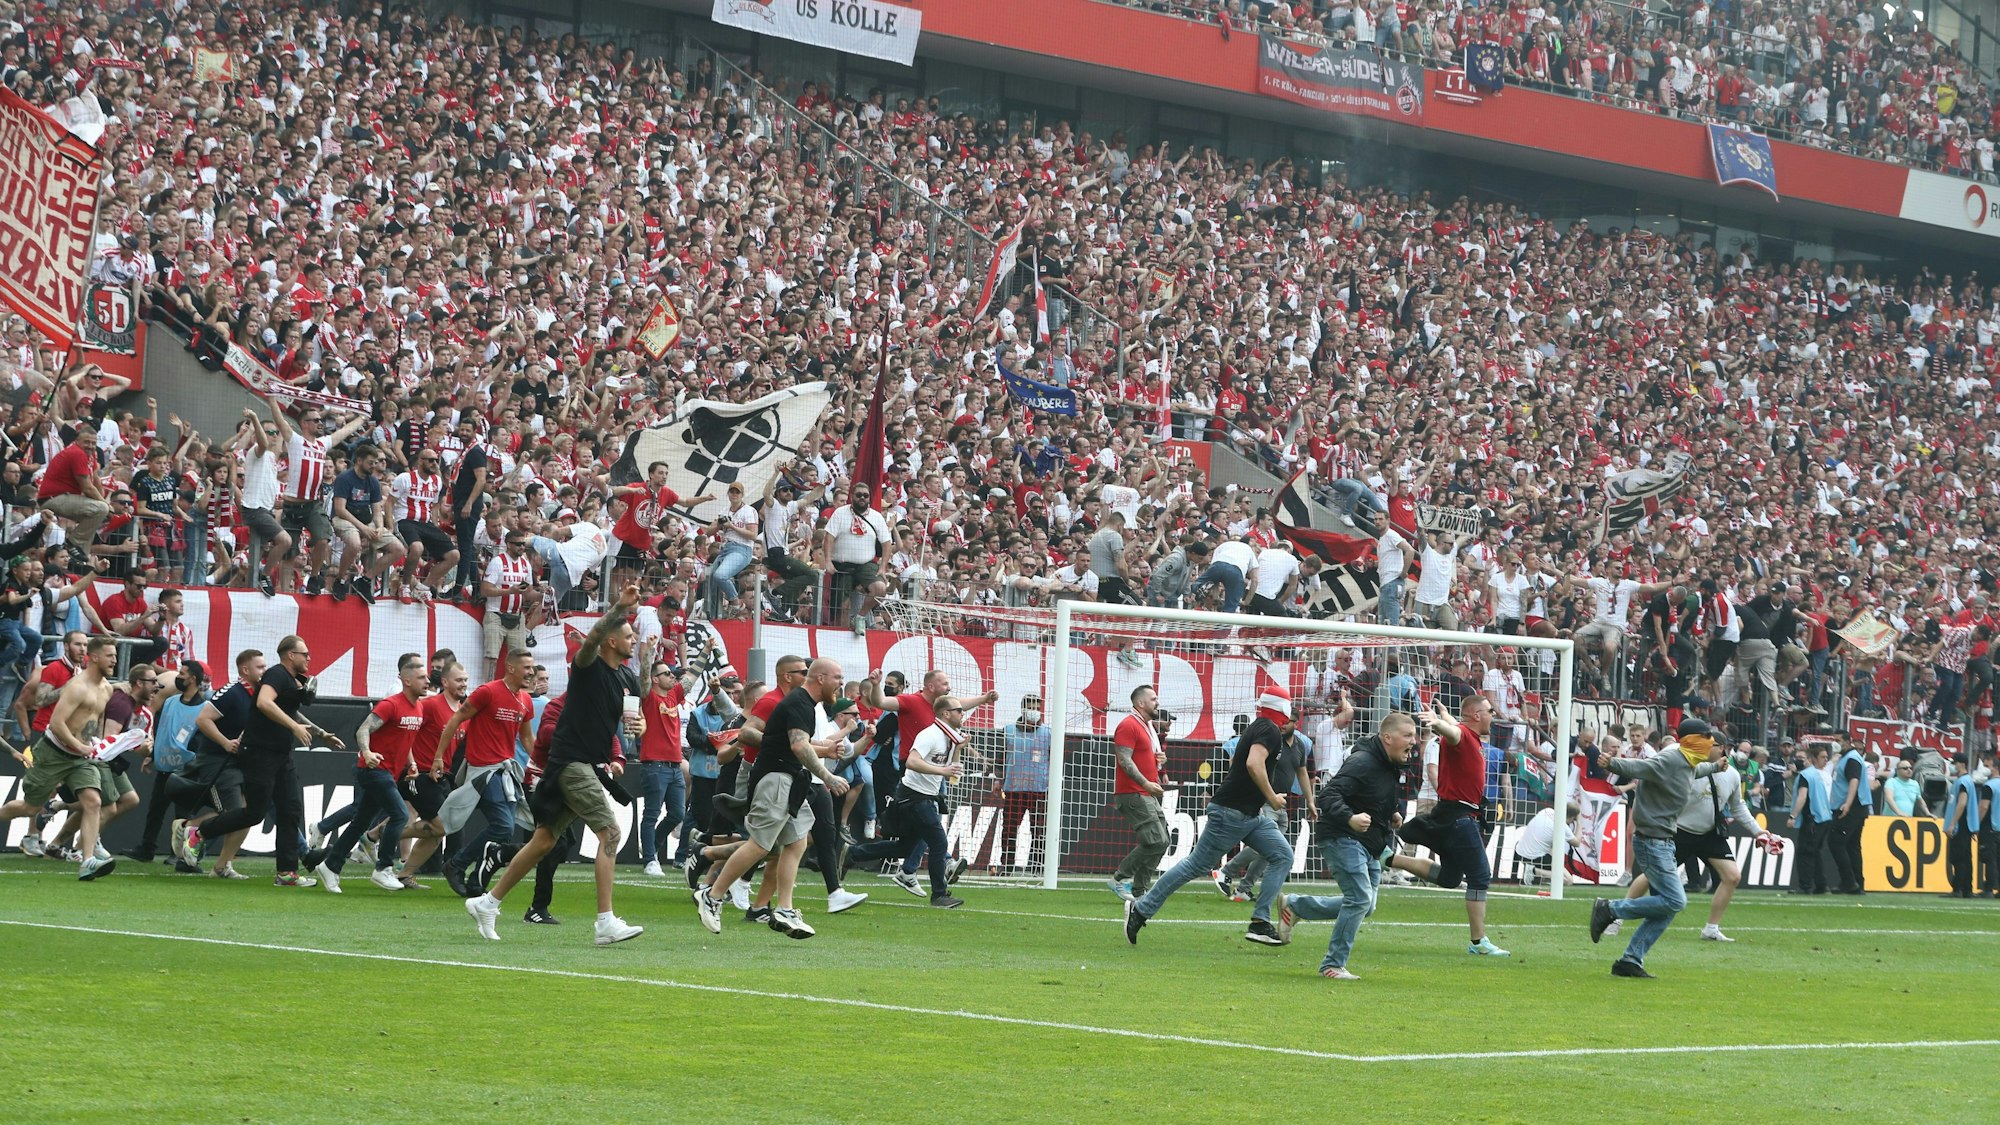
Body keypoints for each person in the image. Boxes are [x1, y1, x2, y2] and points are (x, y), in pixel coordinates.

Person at [466, 582, 646, 945]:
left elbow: (632, 717)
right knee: (610, 833)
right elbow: (591, 640)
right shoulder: (588, 666)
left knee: (544, 840)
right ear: (611, 641)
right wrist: (618, 607)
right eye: (629, 635)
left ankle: (487, 902)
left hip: (584, 763)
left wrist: (638, 725)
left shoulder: (627, 677)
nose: (634, 640)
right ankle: (605, 923)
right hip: (571, 763)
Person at [1125, 685, 1296, 947]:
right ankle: (1141, 908)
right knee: (1195, 865)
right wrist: (1271, 797)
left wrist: (1258, 800)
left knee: (1283, 855)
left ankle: (1260, 922)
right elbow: (1253, 763)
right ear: (1281, 707)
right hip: (1232, 812)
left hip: (1248, 813)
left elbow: (1241, 764)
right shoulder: (1269, 730)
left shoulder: (1261, 727)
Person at [693, 656, 850, 937]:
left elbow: (796, 744)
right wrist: (828, 776)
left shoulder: (802, 703)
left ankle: (784, 909)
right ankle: (712, 895)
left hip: (788, 780)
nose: (841, 683)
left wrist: (823, 749)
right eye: (837, 677)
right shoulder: (798, 703)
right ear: (821, 678)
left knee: (797, 842)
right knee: (760, 845)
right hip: (776, 779)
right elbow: (798, 746)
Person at [181, 635, 342, 886]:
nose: (309, 658)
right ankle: (199, 832)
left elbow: (290, 711)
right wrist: (294, 728)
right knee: (255, 813)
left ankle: (286, 873)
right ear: (291, 655)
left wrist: (321, 734)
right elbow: (264, 702)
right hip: (259, 753)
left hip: (281, 753)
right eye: (305, 654)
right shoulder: (277, 674)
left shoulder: (291, 680)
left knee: (290, 810)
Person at [1277, 712, 1417, 979]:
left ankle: (1296, 906)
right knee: (1360, 899)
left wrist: (1391, 813)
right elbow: (1329, 795)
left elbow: (1371, 795)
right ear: (1388, 738)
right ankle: (1332, 965)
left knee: (1367, 905)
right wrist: (1350, 818)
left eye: (1414, 735)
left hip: (1369, 843)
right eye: (1408, 735)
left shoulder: (1389, 764)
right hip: (1342, 836)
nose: (1414, 741)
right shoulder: (1363, 762)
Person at [1587, 718, 1730, 979]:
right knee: (1675, 901)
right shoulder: (1671, 758)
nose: (1711, 742)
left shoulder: (1687, 762)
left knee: (1665, 907)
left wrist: (1715, 767)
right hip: (1652, 840)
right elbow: (1643, 767)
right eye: (1707, 736)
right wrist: (1613, 763)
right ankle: (1610, 909)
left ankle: (1630, 960)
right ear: (1694, 740)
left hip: (1661, 840)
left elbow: (1694, 771)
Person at [1610, 735, 1784, 943]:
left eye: (1710, 745)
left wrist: (1758, 832)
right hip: (1679, 831)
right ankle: (1615, 918)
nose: (1704, 747)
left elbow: (1738, 806)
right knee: (1651, 876)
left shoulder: (1732, 775)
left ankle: (1711, 928)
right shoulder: (1686, 766)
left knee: (1732, 877)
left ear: (1722, 748)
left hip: (1709, 833)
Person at [1390, 694, 1510, 956]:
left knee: (1450, 877)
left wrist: (1443, 715)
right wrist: (1437, 723)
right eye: (1490, 711)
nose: (1493, 716)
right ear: (1477, 715)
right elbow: (1453, 732)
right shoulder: (1463, 736)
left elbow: (1453, 726)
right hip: (1460, 818)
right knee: (1480, 876)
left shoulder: (1467, 735)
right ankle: (1478, 942)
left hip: (1451, 816)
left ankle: (1389, 858)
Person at [298, 653, 427, 893]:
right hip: (373, 770)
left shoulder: (418, 707)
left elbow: (405, 739)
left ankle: (331, 865)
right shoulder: (391, 704)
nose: (427, 681)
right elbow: (363, 729)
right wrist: (367, 752)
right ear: (407, 680)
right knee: (400, 814)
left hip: (388, 772)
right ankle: (383, 868)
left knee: (360, 822)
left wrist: (411, 763)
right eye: (421, 677)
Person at [842, 674, 969, 909]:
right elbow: (911, 762)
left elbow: (952, 774)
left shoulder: (950, 737)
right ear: (945, 714)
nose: (963, 714)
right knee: (939, 843)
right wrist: (942, 771)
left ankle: (854, 854)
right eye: (959, 710)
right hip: (914, 797)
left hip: (924, 796)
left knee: (905, 847)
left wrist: (958, 751)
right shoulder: (930, 734)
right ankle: (939, 895)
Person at [0, 635, 121, 879]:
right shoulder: (77, 686)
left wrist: (96, 744)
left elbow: (95, 721)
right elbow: (56, 723)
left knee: (93, 802)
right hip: (53, 753)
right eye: (109, 656)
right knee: (30, 807)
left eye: (115, 656)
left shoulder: (107, 688)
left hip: (80, 758)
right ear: (94, 658)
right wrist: (79, 745)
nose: (115, 660)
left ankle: (87, 861)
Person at [435, 648, 537, 897]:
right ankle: (456, 864)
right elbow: (456, 719)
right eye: (526, 667)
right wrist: (438, 756)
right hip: (483, 771)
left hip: (505, 772)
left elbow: (526, 738)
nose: (531, 672)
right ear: (510, 668)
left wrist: (542, 766)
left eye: (532, 667)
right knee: (503, 827)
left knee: (504, 829)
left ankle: (475, 882)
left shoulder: (526, 699)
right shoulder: (488, 692)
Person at [1107, 685, 1168, 902]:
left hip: (1145, 792)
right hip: (1133, 792)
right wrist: (1145, 783)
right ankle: (1119, 879)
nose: (1157, 703)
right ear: (1140, 703)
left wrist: (1159, 761)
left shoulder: (1146, 727)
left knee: (1163, 841)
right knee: (1155, 840)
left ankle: (1139, 890)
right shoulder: (1128, 725)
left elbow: (1141, 757)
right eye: (1153, 699)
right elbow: (1124, 760)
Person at [994, 694, 1050, 875]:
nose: (1035, 712)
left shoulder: (1049, 733)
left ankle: (1038, 867)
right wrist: (998, 780)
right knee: (1009, 830)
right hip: (1014, 789)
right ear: (1023, 710)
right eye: (1031, 708)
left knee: (1040, 831)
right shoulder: (1009, 730)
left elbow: (1055, 761)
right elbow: (1001, 758)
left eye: (1037, 708)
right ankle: (1007, 866)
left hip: (1040, 790)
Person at [1787, 744, 1836, 895]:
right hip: (1825, 818)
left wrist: (1793, 816)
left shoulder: (1806, 775)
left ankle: (1805, 886)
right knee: (1815, 853)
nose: (1799, 761)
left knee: (1805, 853)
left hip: (1812, 818)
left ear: (1810, 759)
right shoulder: (1819, 775)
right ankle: (1821, 885)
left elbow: (1802, 797)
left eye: (1802, 758)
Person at [1829, 738, 1873, 894]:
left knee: (1836, 842)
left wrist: (1847, 803)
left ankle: (1849, 881)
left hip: (1850, 807)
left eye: (1838, 740)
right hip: (1859, 806)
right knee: (1852, 846)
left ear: (1847, 742)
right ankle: (1858, 883)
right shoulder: (1848, 758)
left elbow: (1854, 781)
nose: (1835, 743)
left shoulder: (1851, 759)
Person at [1942, 765, 1988, 898]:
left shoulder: (1963, 782)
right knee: (1966, 858)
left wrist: (1952, 823)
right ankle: (1967, 889)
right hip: (1966, 825)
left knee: (1958, 858)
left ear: (1961, 764)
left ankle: (1958, 888)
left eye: (1955, 763)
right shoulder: (1967, 781)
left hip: (1961, 824)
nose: (1952, 766)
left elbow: (1962, 803)